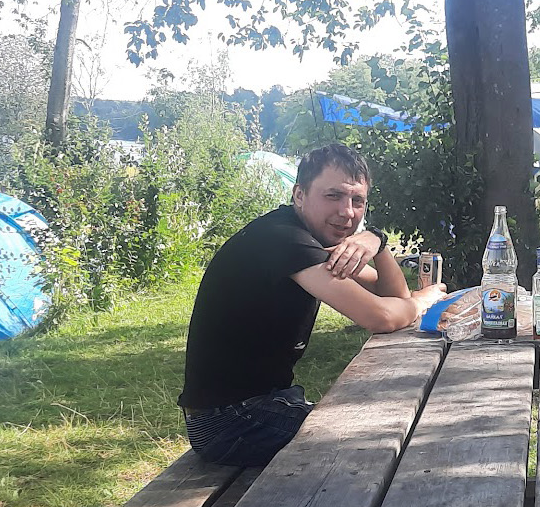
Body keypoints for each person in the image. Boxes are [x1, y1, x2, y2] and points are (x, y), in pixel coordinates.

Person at [178, 143, 447, 468]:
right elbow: (381, 317)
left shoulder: (311, 237)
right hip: (230, 422)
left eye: (358, 201)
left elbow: (390, 295)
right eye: (333, 196)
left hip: (260, 407)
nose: (347, 212)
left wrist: (376, 241)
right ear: (299, 195)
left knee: (395, 429)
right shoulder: (281, 238)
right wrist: (423, 300)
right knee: (387, 443)